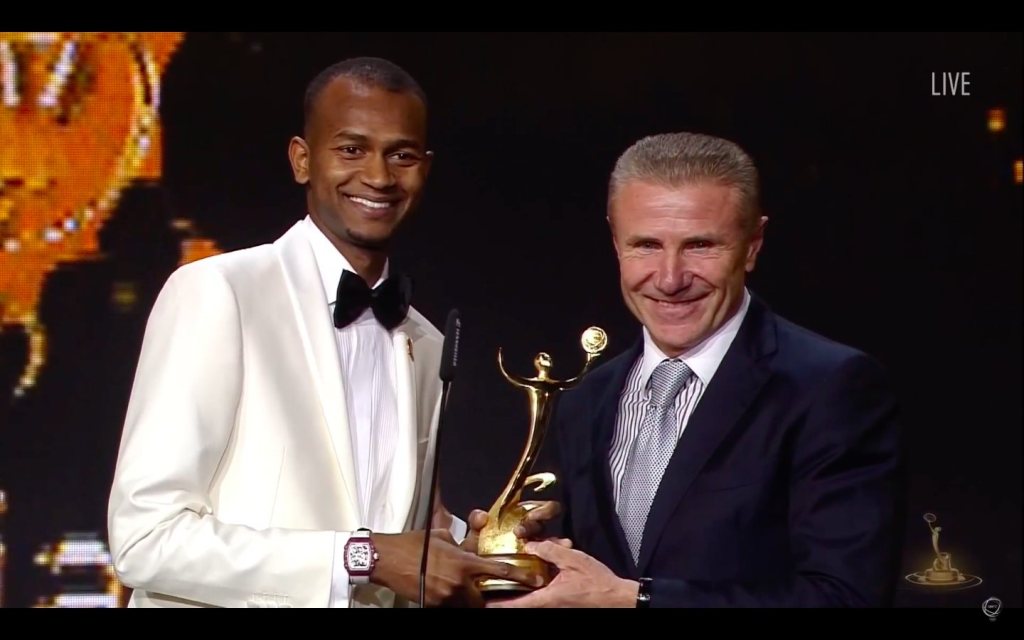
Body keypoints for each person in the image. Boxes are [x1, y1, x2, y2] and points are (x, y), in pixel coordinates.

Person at [107, 56, 552, 609]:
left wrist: (488, 544)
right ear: (302, 160)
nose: (379, 176)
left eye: (402, 155)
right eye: (351, 149)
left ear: (425, 169)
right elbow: (145, 540)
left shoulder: (425, 342)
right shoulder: (219, 293)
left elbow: (400, 535)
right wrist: (361, 555)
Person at [489, 131, 905, 608]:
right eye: (645, 245)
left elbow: (845, 597)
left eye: (700, 245)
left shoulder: (830, 388)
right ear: (614, 242)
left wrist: (635, 599)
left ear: (753, 244)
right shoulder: (587, 400)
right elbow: (584, 582)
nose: (670, 279)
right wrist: (515, 555)